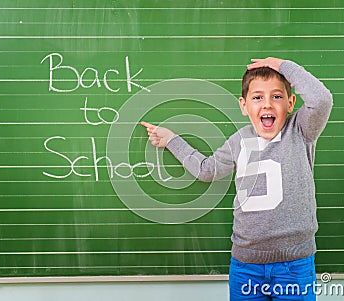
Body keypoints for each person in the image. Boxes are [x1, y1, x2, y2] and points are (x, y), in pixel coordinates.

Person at [141, 57, 333, 300]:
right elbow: (206, 170)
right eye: (257, 97)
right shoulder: (238, 142)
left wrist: (284, 66)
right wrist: (173, 141)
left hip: (294, 266)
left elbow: (322, 100)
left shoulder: (301, 131)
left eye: (276, 96)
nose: (267, 104)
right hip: (246, 266)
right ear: (244, 106)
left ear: (290, 103)